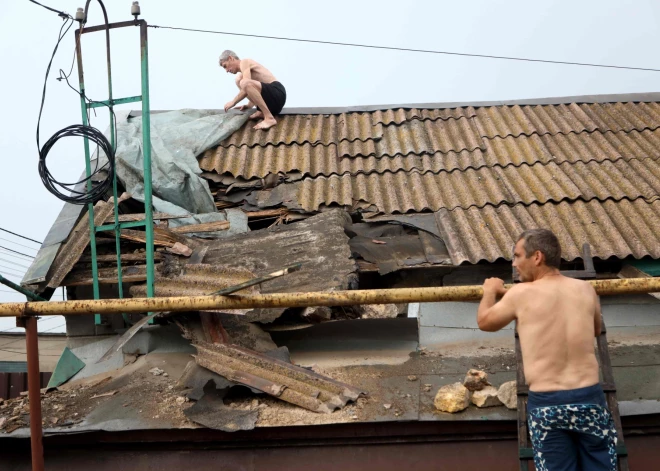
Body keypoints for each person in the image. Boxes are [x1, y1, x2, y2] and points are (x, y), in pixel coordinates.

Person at [477, 229, 618, 471]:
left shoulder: (520, 293)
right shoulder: (586, 290)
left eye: (517, 256)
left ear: (537, 257)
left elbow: (485, 322)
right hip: (588, 399)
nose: (515, 263)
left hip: (547, 404)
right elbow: (595, 329)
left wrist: (490, 291)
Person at [219, 50, 286, 130]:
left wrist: (233, 102)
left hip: (277, 93)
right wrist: (249, 105)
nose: (226, 70)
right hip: (271, 104)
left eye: (225, 66)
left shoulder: (244, 62)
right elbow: (253, 88)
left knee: (244, 82)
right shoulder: (242, 74)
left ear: (231, 58)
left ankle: (269, 118)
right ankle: (261, 111)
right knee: (238, 80)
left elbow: (247, 84)